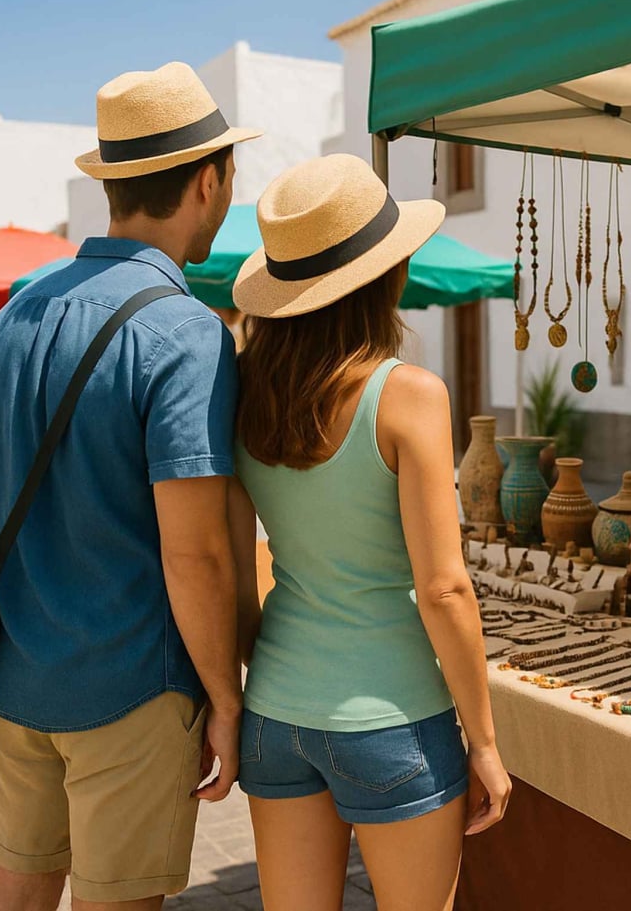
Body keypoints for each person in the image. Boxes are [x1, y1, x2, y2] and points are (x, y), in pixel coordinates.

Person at [0, 61, 260, 911]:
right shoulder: (187, 333)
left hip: (19, 672)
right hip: (132, 686)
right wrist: (226, 698)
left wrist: (24, 614)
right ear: (208, 181)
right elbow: (196, 553)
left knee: (22, 880)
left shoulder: (12, 317)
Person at [228, 154, 510, 911]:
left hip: (275, 710)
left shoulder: (243, 392)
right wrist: (484, 742)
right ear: (385, 276)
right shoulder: (408, 395)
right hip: (395, 717)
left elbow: (233, 570)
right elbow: (445, 588)